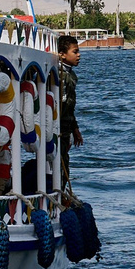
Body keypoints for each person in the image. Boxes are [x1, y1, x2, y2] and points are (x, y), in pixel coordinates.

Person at [55, 35, 84, 187]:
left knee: (64, 161)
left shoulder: (70, 75)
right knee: (60, 163)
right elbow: (61, 106)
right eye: (75, 52)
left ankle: (61, 190)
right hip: (58, 128)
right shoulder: (60, 76)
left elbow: (69, 106)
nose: (78, 55)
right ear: (62, 54)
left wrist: (75, 128)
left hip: (66, 126)